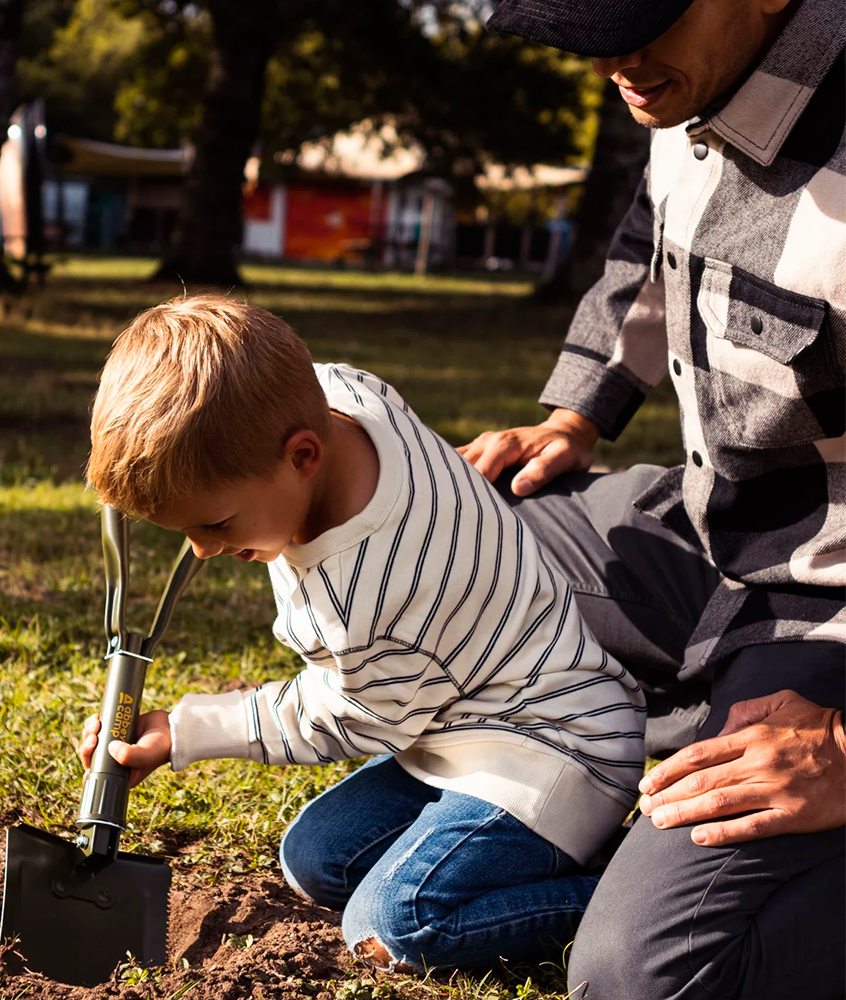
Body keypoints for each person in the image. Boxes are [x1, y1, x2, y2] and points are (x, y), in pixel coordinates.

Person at [78, 294, 646, 973]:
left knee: (394, 925)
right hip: (453, 721)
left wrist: (190, 730)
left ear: (302, 455)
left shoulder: (368, 595)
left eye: (218, 524)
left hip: (555, 751)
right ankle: (524, 862)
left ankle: (631, 894)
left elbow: (343, 719)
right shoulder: (335, 391)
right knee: (316, 858)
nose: (200, 550)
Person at [461, 0, 846, 996]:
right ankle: (682, 725)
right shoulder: (696, 84)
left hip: (828, 611)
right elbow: (649, 250)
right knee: (458, 536)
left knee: (648, 973)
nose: (613, 61)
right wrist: (572, 420)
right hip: (716, 541)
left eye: (637, 20)